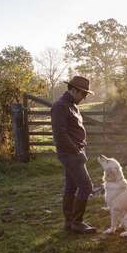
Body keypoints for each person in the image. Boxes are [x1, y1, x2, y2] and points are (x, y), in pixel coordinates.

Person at [51, 76, 97, 234]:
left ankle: (69, 222)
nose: (84, 98)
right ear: (73, 89)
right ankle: (77, 222)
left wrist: (81, 148)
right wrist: (77, 151)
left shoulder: (72, 105)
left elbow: (73, 129)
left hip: (75, 152)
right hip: (70, 153)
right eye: (83, 94)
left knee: (71, 187)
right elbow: (60, 134)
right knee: (86, 186)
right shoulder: (60, 106)